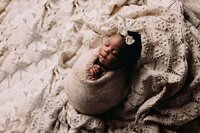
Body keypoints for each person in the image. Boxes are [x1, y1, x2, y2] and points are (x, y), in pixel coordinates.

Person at [62, 31, 141, 115]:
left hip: (88, 106)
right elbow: (81, 63)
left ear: (123, 62)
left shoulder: (117, 79)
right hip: (72, 89)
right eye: (107, 44)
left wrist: (95, 79)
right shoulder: (94, 55)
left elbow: (113, 93)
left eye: (114, 53)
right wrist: (88, 69)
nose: (106, 51)